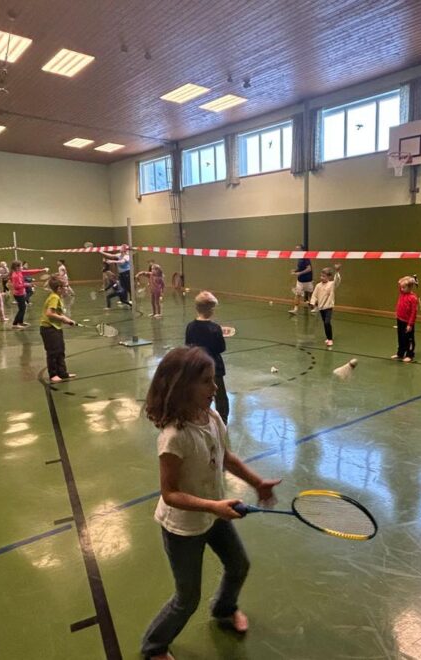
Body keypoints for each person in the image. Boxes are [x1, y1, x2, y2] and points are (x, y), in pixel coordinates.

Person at [140, 346, 280, 660]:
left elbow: (226, 458)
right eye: (206, 381)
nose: (215, 388)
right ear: (183, 386)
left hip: (214, 513)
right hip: (183, 528)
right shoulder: (174, 437)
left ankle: (223, 609)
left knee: (238, 565)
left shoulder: (211, 416)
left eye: (214, 379)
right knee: (186, 599)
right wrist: (213, 507)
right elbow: (170, 493)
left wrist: (258, 483)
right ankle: (154, 647)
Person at [185, 291, 229, 423]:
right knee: (220, 396)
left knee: (199, 393)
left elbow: (188, 346)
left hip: (197, 367)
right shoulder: (215, 328)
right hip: (214, 367)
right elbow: (221, 348)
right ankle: (222, 421)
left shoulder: (190, 327)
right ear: (211, 310)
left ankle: (199, 418)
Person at [39, 277, 76, 382]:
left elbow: (58, 313)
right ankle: (53, 374)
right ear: (59, 288)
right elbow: (49, 313)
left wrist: (67, 320)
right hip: (48, 329)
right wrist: (63, 318)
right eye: (65, 287)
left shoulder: (57, 297)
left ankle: (62, 373)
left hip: (55, 327)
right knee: (53, 352)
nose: (66, 289)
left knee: (60, 350)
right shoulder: (54, 297)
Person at [310, 264, 342, 347]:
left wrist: (337, 271)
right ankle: (328, 337)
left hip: (328, 307)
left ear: (328, 277)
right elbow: (314, 295)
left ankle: (330, 339)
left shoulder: (332, 284)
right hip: (321, 308)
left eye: (324, 276)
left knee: (327, 322)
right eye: (321, 276)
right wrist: (312, 303)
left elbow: (337, 280)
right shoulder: (318, 286)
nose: (322, 278)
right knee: (325, 323)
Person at [9, 261, 47, 328]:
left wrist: (41, 270)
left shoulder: (20, 272)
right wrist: (28, 284)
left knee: (23, 308)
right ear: (16, 267)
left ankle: (21, 322)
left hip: (22, 293)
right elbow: (16, 286)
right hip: (18, 295)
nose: (22, 267)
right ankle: (15, 324)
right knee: (22, 309)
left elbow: (30, 271)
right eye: (21, 266)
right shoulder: (15, 275)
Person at [392, 275, 419, 362]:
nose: (402, 289)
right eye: (401, 287)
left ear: (410, 287)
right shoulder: (402, 293)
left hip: (408, 322)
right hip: (400, 319)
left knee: (409, 339)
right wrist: (407, 279)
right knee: (401, 338)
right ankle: (400, 353)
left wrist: (410, 324)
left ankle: (410, 354)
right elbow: (400, 282)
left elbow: (413, 313)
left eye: (404, 287)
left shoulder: (413, 298)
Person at [288, 245, 313, 314]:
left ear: (302, 250)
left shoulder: (306, 257)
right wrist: (295, 270)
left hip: (308, 280)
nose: (296, 251)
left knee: (311, 294)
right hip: (300, 281)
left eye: (298, 249)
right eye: (296, 249)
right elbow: (300, 268)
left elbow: (309, 269)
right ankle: (295, 309)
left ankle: (315, 307)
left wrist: (300, 273)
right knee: (297, 294)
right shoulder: (299, 258)